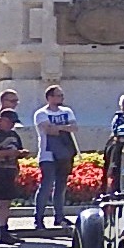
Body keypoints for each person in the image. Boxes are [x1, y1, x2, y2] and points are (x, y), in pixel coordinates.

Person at [32, 85, 77, 231]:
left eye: (62, 96)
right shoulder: (41, 113)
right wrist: (64, 127)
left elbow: (74, 127)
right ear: (50, 97)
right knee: (46, 185)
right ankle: (38, 218)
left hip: (65, 153)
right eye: (58, 95)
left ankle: (59, 216)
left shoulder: (67, 111)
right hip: (47, 154)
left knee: (61, 186)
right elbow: (48, 130)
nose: (61, 98)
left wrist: (57, 127)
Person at [0, 108, 24, 247]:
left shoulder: (14, 135)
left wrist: (18, 156)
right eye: (10, 122)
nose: (12, 125)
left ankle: (3, 231)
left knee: (5, 202)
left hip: (9, 171)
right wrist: (6, 153)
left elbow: (17, 151)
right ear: (1, 120)